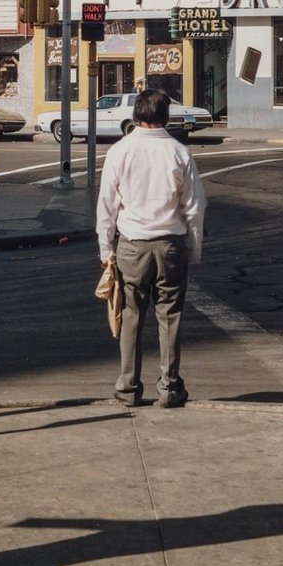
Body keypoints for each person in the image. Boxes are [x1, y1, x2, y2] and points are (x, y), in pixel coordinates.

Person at [96, 88, 206, 410]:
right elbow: (195, 206)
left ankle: (129, 388)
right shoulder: (179, 152)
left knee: (131, 316)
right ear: (166, 117)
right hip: (170, 244)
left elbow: (107, 205)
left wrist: (106, 250)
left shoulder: (120, 151)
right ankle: (170, 388)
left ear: (136, 115)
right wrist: (195, 247)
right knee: (170, 316)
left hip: (132, 245)